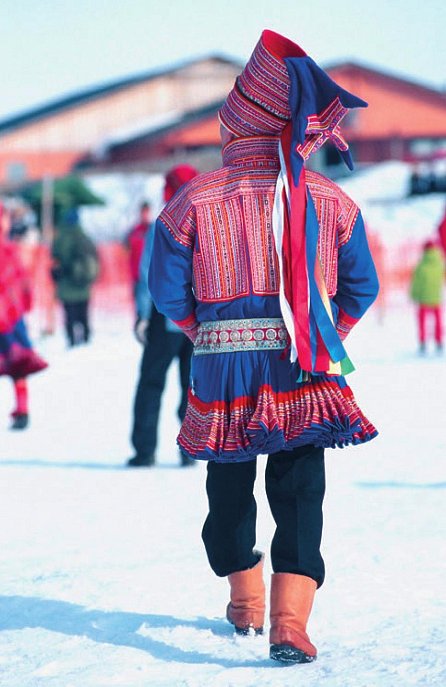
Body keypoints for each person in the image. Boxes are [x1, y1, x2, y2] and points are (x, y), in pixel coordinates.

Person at [149, 30, 379, 664]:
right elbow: (363, 286)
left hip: (223, 369)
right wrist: (329, 332)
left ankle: (246, 599)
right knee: (301, 489)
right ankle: (289, 623)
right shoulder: (332, 200)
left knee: (227, 490)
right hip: (306, 367)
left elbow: (167, 290)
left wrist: (203, 330)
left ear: (235, 124)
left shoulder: (191, 199)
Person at [127, 165, 198, 468]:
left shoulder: (164, 224)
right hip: (201, 320)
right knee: (193, 385)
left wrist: (142, 315)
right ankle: (190, 447)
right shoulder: (210, 220)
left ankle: (145, 450)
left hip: (165, 316)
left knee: (151, 382)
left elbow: (147, 274)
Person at [0, 203, 47, 429]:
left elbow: (22, 280)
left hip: (12, 316)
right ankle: (22, 410)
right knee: (14, 364)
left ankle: (22, 410)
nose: (5, 222)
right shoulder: (8, 249)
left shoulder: (10, 248)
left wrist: (25, 301)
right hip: (6, 317)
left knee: (18, 364)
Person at [51, 208, 99, 347]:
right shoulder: (85, 237)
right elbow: (94, 257)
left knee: (69, 316)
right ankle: (86, 340)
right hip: (83, 285)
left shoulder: (60, 238)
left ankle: (72, 341)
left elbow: (55, 259)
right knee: (83, 315)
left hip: (66, 284)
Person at [410, 240, 444, 353]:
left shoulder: (421, 265)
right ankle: (439, 342)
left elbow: (416, 283)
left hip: (423, 299)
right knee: (438, 322)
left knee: (422, 322)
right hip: (436, 298)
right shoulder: (440, 264)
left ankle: (423, 343)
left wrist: (414, 295)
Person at [124, 201, 152, 309]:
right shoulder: (134, 231)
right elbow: (126, 248)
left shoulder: (153, 231)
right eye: (143, 212)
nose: (145, 215)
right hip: (137, 276)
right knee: (139, 307)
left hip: (151, 276)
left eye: (147, 212)